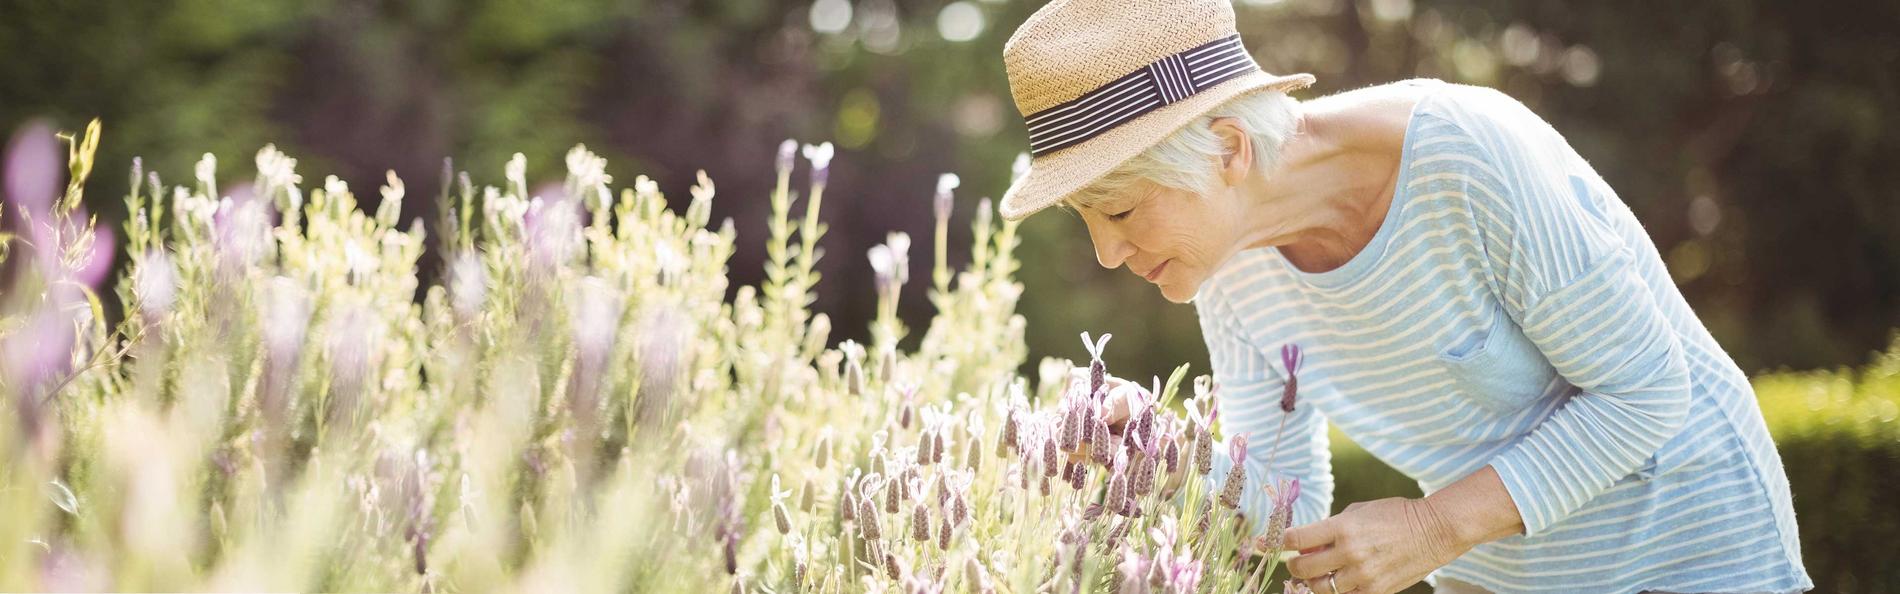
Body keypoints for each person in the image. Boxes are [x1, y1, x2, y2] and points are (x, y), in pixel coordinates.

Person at [996, 1, 1815, 592]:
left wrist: (1432, 528)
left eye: (1122, 209)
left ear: (1229, 150)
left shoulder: (1468, 157)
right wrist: (1160, 454)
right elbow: (1285, 507)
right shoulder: (1231, 268)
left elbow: (1645, 391)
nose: (1107, 253)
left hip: (1698, 555)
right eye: (1087, 220)